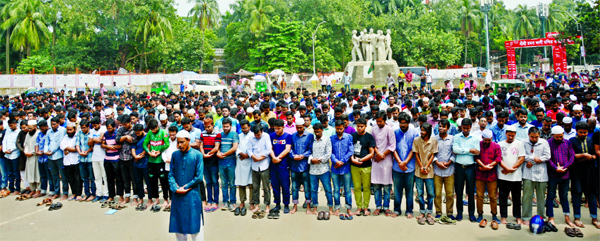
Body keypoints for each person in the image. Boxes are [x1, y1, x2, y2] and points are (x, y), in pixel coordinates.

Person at [168, 130, 205, 241]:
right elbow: (171, 175)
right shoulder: (175, 155)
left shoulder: (197, 155)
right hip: (178, 196)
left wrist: (185, 187)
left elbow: (199, 177)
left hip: (192, 195)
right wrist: (175, 188)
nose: (179, 145)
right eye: (178, 142)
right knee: (178, 227)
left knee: (195, 227)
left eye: (182, 142)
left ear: (189, 141)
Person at [569, 122, 599, 228]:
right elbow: (571, 156)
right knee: (577, 193)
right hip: (576, 171)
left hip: (590, 171)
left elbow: (595, 153)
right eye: (581, 132)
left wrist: (593, 157)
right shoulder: (571, 141)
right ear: (576, 131)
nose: (583, 134)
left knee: (591, 193)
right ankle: (577, 218)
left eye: (585, 132)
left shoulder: (591, 140)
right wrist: (584, 156)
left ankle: (594, 218)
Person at [546, 126, 575, 227]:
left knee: (564, 197)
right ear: (553, 135)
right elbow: (547, 158)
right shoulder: (548, 143)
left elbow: (572, 157)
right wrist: (555, 168)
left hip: (565, 175)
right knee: (550, 196)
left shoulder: (568, 142)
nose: (559, 138)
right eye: (557, 137)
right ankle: (551, 217)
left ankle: (567, 217)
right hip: (553, 174)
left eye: (561, 136)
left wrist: (565, 167)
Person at [452, 118, 480, 222]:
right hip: (459, 166)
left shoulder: (475, 138)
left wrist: (463, 151)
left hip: (470, 167)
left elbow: (477, 152)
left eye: (468, 128)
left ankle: (471, 213)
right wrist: (469, 150)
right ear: (461, 127)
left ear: (471, 127)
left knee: (471, 191)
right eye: (464, 128)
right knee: (459, 191)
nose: (466, 130)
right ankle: (459, 213)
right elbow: (455, 150)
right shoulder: (457, 137)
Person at [521, 127, 550, 226]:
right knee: (527, 197)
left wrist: (533, 161)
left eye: (536, 137)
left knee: (541, 197)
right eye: (532, 137)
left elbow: (547, 156)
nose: (534, 139)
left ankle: (541, 216)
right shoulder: (523, 142)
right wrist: (533, 158)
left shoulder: (544, 142)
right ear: (528, 135)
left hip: (541, 173)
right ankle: (526, 217)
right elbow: (522, 156)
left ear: (539, 135)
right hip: (528, 173)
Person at [392, 112, 419, 218]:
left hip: (410, 167)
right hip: (397, 166)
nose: (402, 125)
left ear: (408, 123)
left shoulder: (414, 133)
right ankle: (397, 210)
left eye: (405, 123)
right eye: (401, 123)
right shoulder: (395, 132)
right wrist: (400, 162)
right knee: (397, 190)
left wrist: (405, 162)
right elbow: (393, 148)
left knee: (409, 191)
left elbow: (414, 149)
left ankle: (409, 211)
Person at [497, 125, 525, 225]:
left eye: (513, 136)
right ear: (506, 134)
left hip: (516, 176)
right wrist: (507, 169)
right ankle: (503, 216)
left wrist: (510, 169)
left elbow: (521, 159)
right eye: (509, 135)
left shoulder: (519, 144)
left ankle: (517, 216)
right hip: (503, 175)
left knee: (516, 198)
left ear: (515, 135)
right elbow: (499, 159)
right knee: (503, 197)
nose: (511, 137)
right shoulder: (500, 144)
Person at [371, 111, 396, 216]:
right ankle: (377, 207)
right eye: (377, 121)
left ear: (385, 120)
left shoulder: (389, 129)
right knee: (376, 186)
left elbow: (392, 145)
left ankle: (386, 207)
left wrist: (382, 155)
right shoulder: (373, 129)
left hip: (386, 160)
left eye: (380, 121)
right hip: (376, 160)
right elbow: (372, 143)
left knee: (386, 186)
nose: (378, 123)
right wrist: (377, 154)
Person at [143, 118, 171, 211]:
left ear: (157, 126)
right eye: (151, 129)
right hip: (151, 160)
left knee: (163, 181)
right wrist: (149, 152)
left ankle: (166, 199)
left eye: (154, 129)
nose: (152, 131)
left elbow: (167, 144)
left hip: (160, 161)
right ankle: (156, 199)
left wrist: (159, 151)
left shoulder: (163, 132)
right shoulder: (150, 133)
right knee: (153, 181)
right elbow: (144, 144)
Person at [412, 123, 437, 224]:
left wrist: (426, 167)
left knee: (430, 193)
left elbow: (432, 155)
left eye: (424, 130)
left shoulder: (433, 140)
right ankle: (422, 212)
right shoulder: (417, 140)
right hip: (419, 170)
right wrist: (422, 166)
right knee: (420, 193)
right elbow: (416, 154)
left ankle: (429, 212)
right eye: (421, 130)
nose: (421, 132)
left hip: (429, 170)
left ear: (428, 131)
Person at [475, 129, 500, 223]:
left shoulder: (496, 146)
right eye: (486, 140)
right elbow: (476, 157)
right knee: (480, 196)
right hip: (480, 174)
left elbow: (498, 158)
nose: (487, 142)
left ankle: (494, 215)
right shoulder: (478, 144)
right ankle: (480, 214)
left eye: (489, 140)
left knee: (493, 196)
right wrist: (483, 166)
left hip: (491, 174)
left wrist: (489, 166)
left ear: (492, 138)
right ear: (482, 138)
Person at [308, 123, 333, 215]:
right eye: (315, 132)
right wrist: (311, 159)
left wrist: (318, 160)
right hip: (313, 170)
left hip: (324, 169)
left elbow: (328, 153)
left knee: (328, 189)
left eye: (318, 131)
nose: (317, 133)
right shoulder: (311, 140)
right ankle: (315, 207)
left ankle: (330, 207)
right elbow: (308, 152)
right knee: (313, 190)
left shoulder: (327, 140)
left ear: (322, 130)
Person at [330, 120, 354, 217]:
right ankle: (337, 208)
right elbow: (330, 151)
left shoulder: (349, 137)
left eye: (341, 128)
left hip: (345, 168)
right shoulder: (331, 138)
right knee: (336, 189)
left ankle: (348, 209)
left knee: (347, 190)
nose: (339, 130)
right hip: (335, 168)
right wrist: (336, 161)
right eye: (337, 128)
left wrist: (342, 161)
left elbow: (350, 151)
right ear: (335, 128)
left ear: (344, 128)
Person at [289, 118, 313, 214]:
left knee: (307, 187)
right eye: (297, 127)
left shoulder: (309, 136)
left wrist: (303, 155)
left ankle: (308, 206)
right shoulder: (293, 136)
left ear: (304, 126)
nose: (299, 129)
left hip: (305, 166)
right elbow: (290, 148)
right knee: (294, 187)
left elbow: (311, 149)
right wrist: (293, 156)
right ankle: (295, 206)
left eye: (301, 127)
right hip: (294, 165)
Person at [433, 119, 455, 221]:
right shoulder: (434, 139)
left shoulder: (452, 139)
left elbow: (454, 153)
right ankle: (438, 212)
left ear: (448, 128)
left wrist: (450, 162)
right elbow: (431, 153)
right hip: (437, 170)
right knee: (437, 193)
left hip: (449, 170)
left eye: (443, 126)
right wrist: (437, 162)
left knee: (449, 193)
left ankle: (449, 212)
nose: (440, 128)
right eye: (439, 126)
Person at [247, 124, 272, 214]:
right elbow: (249, 150)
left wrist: (259, 158)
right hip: (254, 165)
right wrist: (254, 157)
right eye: (255, 135)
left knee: (266, 187)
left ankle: (267, 204)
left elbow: (268, 150)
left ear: (261, 131)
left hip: (264, 164)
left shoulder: (266, 136)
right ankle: (256, 205)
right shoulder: (251, 138)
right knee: (255, 187)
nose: (257, 136)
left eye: (258, 135)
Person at [268, 119, 291, 217]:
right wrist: (273, 157)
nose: (276, 130)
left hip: (283, 165)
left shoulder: (288, 136)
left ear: (283, 127)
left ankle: (286, 204)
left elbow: (287, 149)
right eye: (275, 128)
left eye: (278, 128)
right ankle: (277, 204)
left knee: (285, 186)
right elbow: (270, 148)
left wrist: (278, 158)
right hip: (273, 165)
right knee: (275, 186)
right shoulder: (271, 136)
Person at [217, 118, 239, 212]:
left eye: (227, 126)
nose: (225, 128)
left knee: (232, 183)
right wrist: (218, 153)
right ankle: (225, 201)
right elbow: (217, 146)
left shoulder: (234, 134)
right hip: (221, 162)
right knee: (224, 183)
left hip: (231, 162)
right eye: (224, 126)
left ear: (231, 126)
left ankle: (233, 201)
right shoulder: (220, 135)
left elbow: (235, 147)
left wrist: (224, 154)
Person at [198, 118, 221, 212]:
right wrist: (203, 154)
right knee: (208, 182)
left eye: (209, 126)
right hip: (205, 161)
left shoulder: (217, 134)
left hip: (213, 161)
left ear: (212, 125)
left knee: (215, 181)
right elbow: (200, 145)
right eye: (205, 126)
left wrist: (209, 154)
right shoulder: (202, 134)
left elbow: (216, 147)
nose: (207, 128)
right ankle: (209, 200)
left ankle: (215, 201)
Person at [101, 119, 125, 205]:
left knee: (118, 178)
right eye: (108, 128)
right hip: (107, 159)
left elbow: (120, 145)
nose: (109, 130)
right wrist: (108, 146)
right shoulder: (106, 134)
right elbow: (102, 144)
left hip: (116, 158)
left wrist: (112, 147)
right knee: (109, 178)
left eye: (110, 128)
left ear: (114, 127)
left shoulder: (118, 133)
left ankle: (121, 196)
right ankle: (111, 195)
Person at [44, 117, 67, 199]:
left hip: (59, 155)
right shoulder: (49, 132)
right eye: (51, 124)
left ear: (58, 123)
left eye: (54, 124)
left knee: (63, 175)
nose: (52, 126)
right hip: (50, 156)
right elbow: (46, 142)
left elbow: (60, 142)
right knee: (54, 175)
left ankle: (65, 192)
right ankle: (57, 192)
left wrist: (52, 151)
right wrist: (46, 151)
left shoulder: (62, 130)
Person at [235, 120, 253, 216]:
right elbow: (236, 147)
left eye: (245, 128)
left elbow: (255, 147)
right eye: (242, 128)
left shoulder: (253, 135)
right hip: (241, 161)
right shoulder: (239, 135)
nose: (244, 130)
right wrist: (241, 153)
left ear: (249, 127)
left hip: (250, 161)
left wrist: (248, 155)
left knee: (251, 183)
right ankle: (242, 202)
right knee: (241, 183)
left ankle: (251, 202)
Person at [61, 123, 83, 201]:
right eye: (68, 130)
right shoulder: (66, 137)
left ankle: (79, 194)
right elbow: (61, 145)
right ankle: (74, 193)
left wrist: (67, 149)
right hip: (67, 161)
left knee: (77, 178)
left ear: (75, 129)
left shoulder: (78, 136)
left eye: (71, 130)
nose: (69, 131)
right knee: (70, 179)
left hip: (76, 160)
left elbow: (77, 148)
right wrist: (69, 149)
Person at [131, 124, 151, 210]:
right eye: (136, 133)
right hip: (136, 163)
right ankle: (141, 199)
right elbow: (132, 148)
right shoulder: (134, 137)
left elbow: (148, 147)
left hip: (145, 162)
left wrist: (141, 155)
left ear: (142, 130)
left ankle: (150, 199)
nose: (137, 134)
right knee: (138, 182)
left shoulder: (147, 137)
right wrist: (135, 156)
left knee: (148, 182)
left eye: (139, 133)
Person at [75, 119, 95, 201]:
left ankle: (93, 194)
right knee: (84, 178)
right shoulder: (79, 133)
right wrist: (80, 152)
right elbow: (77, 144)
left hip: (90, 158)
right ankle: (87, 193)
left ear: (87, 127)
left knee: (92, 177)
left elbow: (92, 146)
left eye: (84, 128)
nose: (82, 129)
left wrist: (87, 151)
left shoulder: (92, 133)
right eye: (81, 128)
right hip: (81, 159)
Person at [89, 117, 108, 202]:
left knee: (105, 176)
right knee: (97, 177)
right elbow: (89, 142)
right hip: (94, 156)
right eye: (93, 126)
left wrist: (94, 140)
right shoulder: (92, 131)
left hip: (103, 156)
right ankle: (99, 194)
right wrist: (93, 139)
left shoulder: (104, 128)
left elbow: (100, 140)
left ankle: (106, 194)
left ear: (99, 123)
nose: (95, 127)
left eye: (96, 125)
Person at [23, 120, 41, 198]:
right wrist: (26, 152)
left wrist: (32, 152)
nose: (29, 130)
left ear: (35, 127)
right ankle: (32, 190)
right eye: (28, 128)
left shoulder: (38, 134)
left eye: (30, 128)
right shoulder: (27, 134)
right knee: (30, 174)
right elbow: (25, 144)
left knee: (37, 174)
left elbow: (40, 145)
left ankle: (39, 190)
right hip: (29, 157)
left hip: (36, 156)